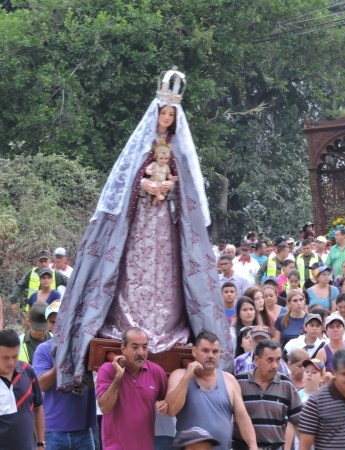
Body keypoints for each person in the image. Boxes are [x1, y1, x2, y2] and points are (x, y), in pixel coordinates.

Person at [56, 72, 232, 390]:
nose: (166, 119)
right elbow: (124, 186)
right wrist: (145, 184)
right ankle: (126, 325)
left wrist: (169, 187)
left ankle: (168, 326)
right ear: (156, 115)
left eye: (171, 115)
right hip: (138, 224)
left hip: (167, 225)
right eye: (163, 114)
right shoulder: (139, 149)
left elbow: (188, 192)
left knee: (168, 273)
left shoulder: (179, 151)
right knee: (132, 270)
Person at [166, 331, 258, 450]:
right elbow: (172, 410)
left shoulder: (229, 380)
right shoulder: (179, 376)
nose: (211, 355)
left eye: (215, 351)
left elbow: (242, 418)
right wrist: (187, 377)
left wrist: (253, 445)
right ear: (194, 351)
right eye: (205, 350)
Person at [96, 327, 168, 450]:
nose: (141, 352)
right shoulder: (107, 370)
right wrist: (118, 376)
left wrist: (165, 403)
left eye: (145, 347)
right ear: (123, 348)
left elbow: (167, 400)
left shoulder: (157, 372)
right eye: (135, 347)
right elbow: (105, 407)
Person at [33, 314, 97, 450]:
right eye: (54, 322)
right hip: (53, 432)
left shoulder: (89, 347)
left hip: (83, 431)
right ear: (50, 325)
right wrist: (62, 361)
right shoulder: (43, 350)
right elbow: (41, 385)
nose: (60, 325)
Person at [234, 339, 303, 450]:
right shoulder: (239, 382)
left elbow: (299, 421)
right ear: (257, 360)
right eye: (270, 360)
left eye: (278, 360)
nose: (275, 365)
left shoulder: (286, 385)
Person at [0, 329, 45, 450]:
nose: (11, 362)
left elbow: (38, 407)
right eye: (5, 357)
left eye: (15, 356)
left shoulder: (27, 370)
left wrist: (40, 443)